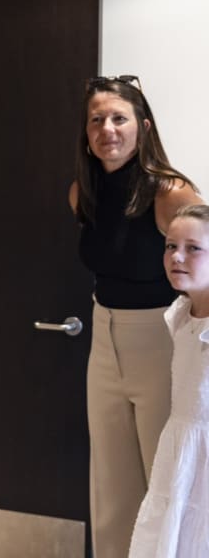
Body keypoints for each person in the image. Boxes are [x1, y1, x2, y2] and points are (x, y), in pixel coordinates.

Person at [69, 74, 201, 557]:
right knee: (111, 489)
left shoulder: (170, 193)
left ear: (142, 126)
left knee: (164, 483)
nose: (108, 129)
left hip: (161, 341)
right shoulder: (82, 193)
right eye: (97, 120)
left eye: (119, 118)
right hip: (104, 339)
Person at [129, 204, 209, 556]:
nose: (177, 256)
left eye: (193, 248)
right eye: (170, 246)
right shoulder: (179, 316)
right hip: (180, 457)